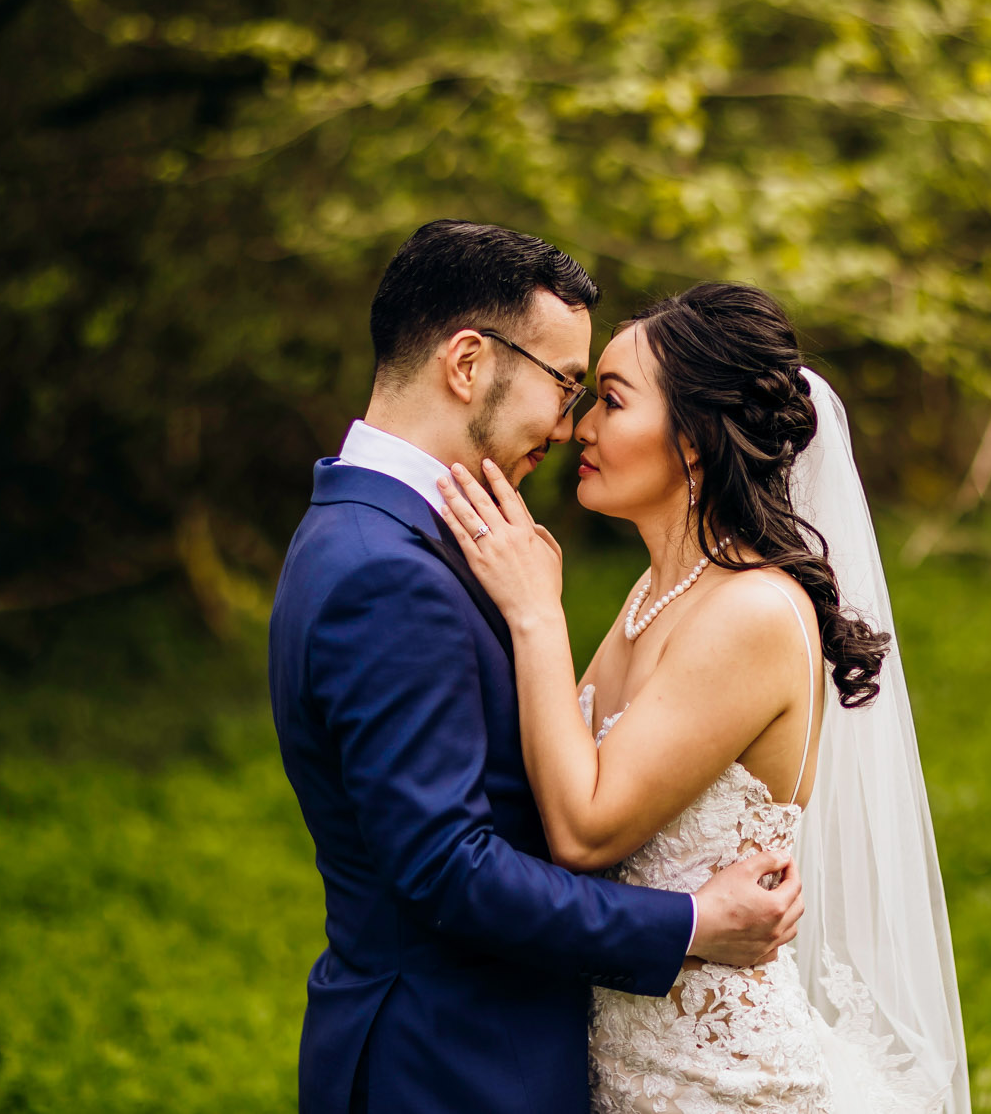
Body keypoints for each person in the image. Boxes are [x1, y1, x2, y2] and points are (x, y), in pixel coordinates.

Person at [268, 224, 804, 1114]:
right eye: (563, 384)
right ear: (468, 363)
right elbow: (448, 867)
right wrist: (693, 924)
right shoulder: (386, 571)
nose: (567, 424)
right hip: (450, 1068)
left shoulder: (376, 533)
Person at [436, 282, 972, 1113]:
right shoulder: (654, 593)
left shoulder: (752, 611)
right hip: (619, 1074)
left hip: (722, 1087)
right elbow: (548, 785)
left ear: (692, 439)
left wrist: (538, 615)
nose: (579, 426)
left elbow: (583, 827)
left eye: (610, 401)